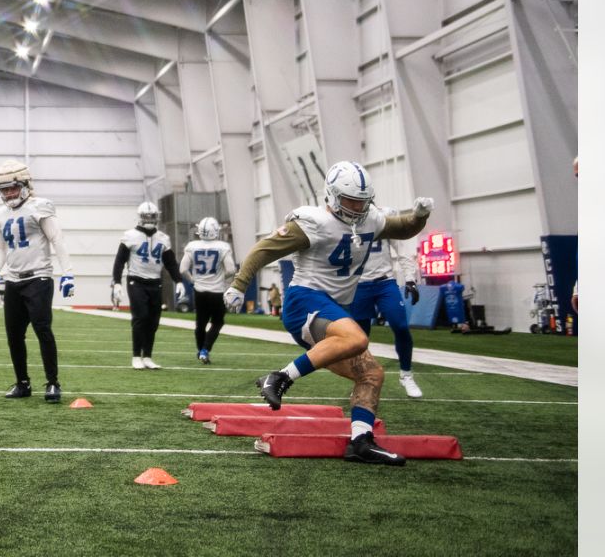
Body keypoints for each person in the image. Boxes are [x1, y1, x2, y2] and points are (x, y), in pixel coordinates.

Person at [223, 161, 433, 466]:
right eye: (351, 200)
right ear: (333, 196)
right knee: (357, 338)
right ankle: (280, 377)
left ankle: (360, 442)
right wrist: (239, 285)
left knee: (372, 373)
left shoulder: (370, 218)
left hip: (334, 308)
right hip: (304, 301)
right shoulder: (313, 222)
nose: (358, 207)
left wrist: (420, 216)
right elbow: (263, 250)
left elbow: (404, 228)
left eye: (363, 201)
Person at [0, 160, 73, 403]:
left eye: (13, 188)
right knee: (14, 335)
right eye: (4, 189)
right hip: (13, 280)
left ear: (26, 184)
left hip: (39, 277)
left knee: (42, 330)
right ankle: (23, 383)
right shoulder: (0, 215)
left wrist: (68, 272)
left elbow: (57, 239)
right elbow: (0, 248)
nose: (8, 193)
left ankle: (53, 383)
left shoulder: (40, 207)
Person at [348, 206, 423, 398]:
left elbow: (401, 248)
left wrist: (410, 278)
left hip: (384, 282)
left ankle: (406, 374)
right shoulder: (342, 219)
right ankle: (362, 379)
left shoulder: (384, 215)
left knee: (400, 326)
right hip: (358, 284)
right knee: (360, 339)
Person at [110, 201, 184, 370]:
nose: (150, 219)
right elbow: (119, 261)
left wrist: (178, 280)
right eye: (147, 216)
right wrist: (116, 282)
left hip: (155, 283)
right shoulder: (129, 236)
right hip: (136, 281)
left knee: (153, 321)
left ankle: (147, 356)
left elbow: (171, 263)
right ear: (140, 217)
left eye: (152, 216)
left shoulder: (163, 238)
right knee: (140, 317)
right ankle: (136, 355)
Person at [180, 216, 236, 365]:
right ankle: (205, 349)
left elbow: (183, 269)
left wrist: (193, 280)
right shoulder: (222, 246)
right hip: (217, 291)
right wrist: (221, 278)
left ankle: (201, 351)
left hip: (199, 291)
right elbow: (231, 269)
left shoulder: (192, 246)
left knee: (200, 324)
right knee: (217, 322)